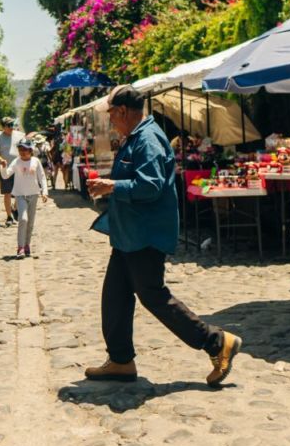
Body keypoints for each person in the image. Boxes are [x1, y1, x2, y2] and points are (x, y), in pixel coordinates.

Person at [85, 85, 240, 388]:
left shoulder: (149, 139)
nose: (110, 120)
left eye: (112, 114)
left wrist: (113, 187)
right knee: (115, 297)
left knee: (154, 296)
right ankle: (120, 360)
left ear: (124, 112)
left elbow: (151, 185)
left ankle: (216, 342)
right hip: (129, 235)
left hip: (145, 235)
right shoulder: (135, 137)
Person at [5, 137, 48, 258]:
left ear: (31, 150)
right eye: (20, 149)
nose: (23, 152)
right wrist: (3, 166)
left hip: (33, 194)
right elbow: (6, 174)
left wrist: (44, 191)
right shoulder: (16, 161)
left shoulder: (36, 161)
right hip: (20, 195)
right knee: (23, 219)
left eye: (25, 149)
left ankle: (27, 245)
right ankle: (20, 247)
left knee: (30, 222)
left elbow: (42, 177)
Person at [0, 117, 20, 226]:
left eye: (12, 125)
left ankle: (15, 208)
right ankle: (9, 216)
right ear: (3, 127)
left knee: (19, 191)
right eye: (9, 125)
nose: (11, 127)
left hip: (18, 167)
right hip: (5, 168)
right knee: (7, 192)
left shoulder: (18, 136)